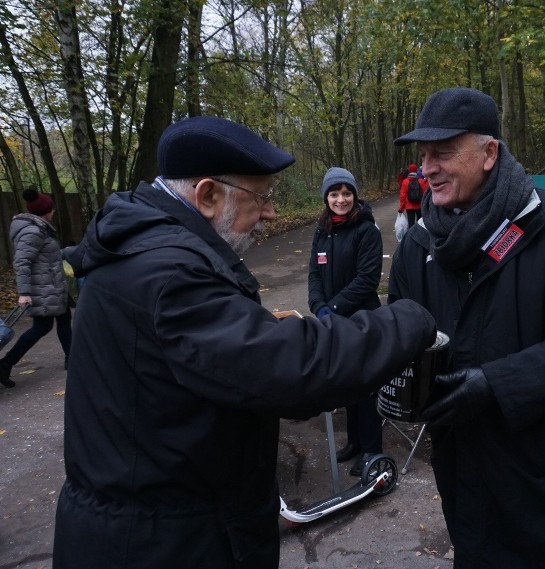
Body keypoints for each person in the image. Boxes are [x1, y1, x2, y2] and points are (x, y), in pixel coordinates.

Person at [53, 116, 437, 568]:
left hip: (155, 523)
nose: (271, 212)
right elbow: (294, 368)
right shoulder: (169, 272)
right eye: (263, 197)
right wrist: (411, 319)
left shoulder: (144, 247)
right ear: (208, 195)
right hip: (164, 542)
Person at [388, 87, 545, 568]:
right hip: (465, 475)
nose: (427, 168)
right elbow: (403, 332)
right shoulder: (418, 245)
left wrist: (495, 384)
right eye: (423, 155)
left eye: (443, 152)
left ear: (489, 152)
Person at [308, 167, 385, 476]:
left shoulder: (367, 230)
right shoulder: (323, 229)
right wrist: (318, 306)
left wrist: (334, 307)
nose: (341, 199)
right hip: (333, 320)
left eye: (346, 193)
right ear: (326, 197)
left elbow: (368, 280)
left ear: (355, 195)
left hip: (361, 318)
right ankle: (354, 442)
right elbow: (314, 272)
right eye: (334, 193)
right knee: (347, 383)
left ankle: (371, 449)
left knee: (366, 386)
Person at [0, 188, 72, 388]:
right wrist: (24, 293)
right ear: (45, 212)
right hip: (42, 289)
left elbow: (45, 255)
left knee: (64, 319)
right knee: (42, 327)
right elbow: (22, 262)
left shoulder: (39, 228)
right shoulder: (33, 231)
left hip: (52, 286)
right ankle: (5, 364)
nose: (54, 212)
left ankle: (71, 358)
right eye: (52, 209)